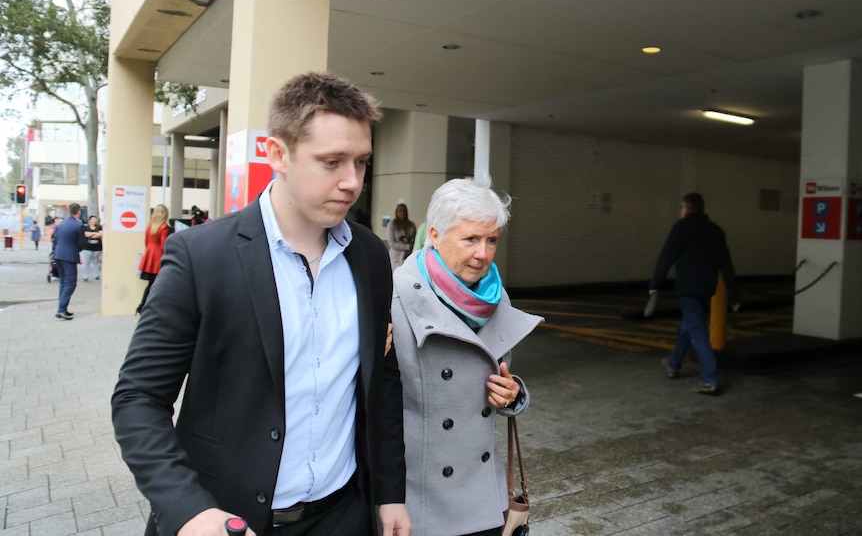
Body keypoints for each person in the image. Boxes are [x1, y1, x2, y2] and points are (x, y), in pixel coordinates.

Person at [112, 72, 411, 536]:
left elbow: (381, 385)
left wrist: (390, 491)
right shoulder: (201, 255)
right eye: (331, 161)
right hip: (228, 520)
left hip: (344, 516)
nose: (352, 182)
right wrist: (188, 507)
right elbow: (138, 398)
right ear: (277, 154)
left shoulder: (370, 256)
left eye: (362, 162)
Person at [391, 176, 543, 536]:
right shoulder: (394, 298)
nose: (483, 254)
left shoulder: (494, 297)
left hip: (480, 493)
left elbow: (496, 381)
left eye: (491, 240)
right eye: (471, 239)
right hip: (418, 497)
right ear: (435, 236)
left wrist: (513, 394)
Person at [649, 192, 741, 395]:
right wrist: (734, 295)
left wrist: (655, 283)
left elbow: (667, 256)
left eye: (682, 207)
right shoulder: (716, 231)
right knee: (689, 325)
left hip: (687, 289)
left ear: (687, 208)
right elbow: (726, 265)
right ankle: (673, 365)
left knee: (697, 330)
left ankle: (709, 379)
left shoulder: (681, 228)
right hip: (707, 288)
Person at [135, 204, 170, 315]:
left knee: (151, 284)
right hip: (158, 258)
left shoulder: (149, 226)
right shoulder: (164, 228)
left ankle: (142, 306)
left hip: (149, 256)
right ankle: (145, 307)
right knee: (158, 285)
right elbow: (163, 246)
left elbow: (146, 242)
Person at [52, 204, 85, 320]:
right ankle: (61, 309)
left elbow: (55, 239)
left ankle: (61, 309)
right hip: (69, 257)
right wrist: (77, 249)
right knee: (70, 283)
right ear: (78, 211)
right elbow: (81, 243)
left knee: (63, 283)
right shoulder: (79, 225)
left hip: (58, 255)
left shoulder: (61, 223)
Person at [387, 203, 416, 271]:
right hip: (396, 257)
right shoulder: (392, 224)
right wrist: (407, 246)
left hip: (408, 256)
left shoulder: (411, 225)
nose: (402, 212)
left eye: (404, 210)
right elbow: (392, 243)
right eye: (400, 210)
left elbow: (414, 239)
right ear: (396, 212)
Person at [82, 215, 103, 281]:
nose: (94, 221)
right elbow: (85, 234)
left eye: (95, 219)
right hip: (87, 248)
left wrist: (91, 234)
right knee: (87, 262)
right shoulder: (85, 227)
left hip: (97, 248)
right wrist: (95, 234)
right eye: (93, 219)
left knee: (96, 262)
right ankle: (85, 276)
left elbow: (100, 234)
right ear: (89, 220)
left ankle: (96, 276)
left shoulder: (99, 227)